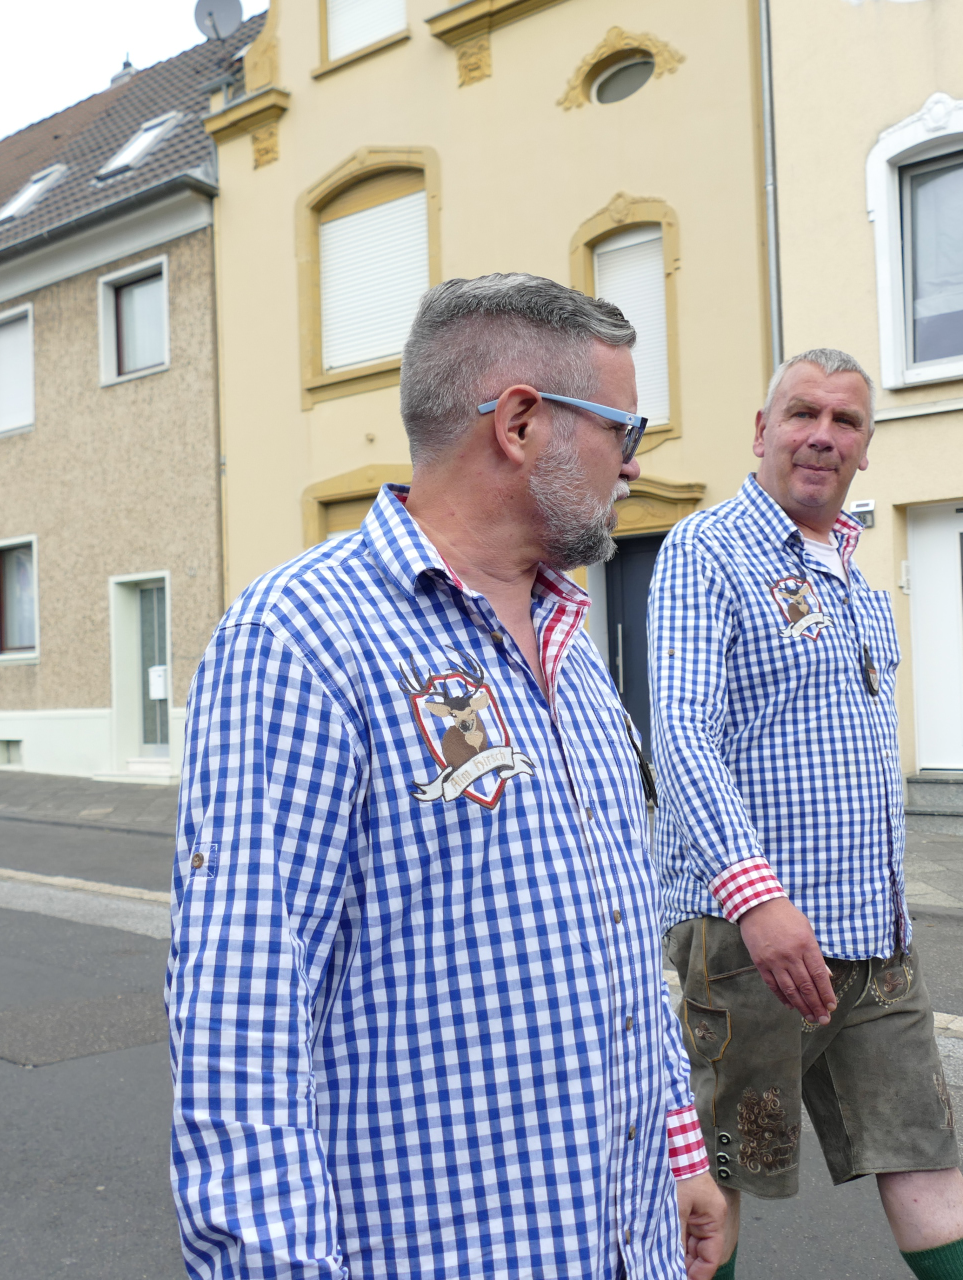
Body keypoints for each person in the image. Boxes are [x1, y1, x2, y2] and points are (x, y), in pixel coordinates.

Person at [168, 273, 728, 1279]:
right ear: (519, 423)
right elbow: (241, 1034)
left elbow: (622, 943)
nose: (635, 462)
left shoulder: (572, 645)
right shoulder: (302, 637)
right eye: (621, 428)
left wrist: (679, 1152)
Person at [649, 349, 963, 1280]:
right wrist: (758, 898)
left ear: (866, 449)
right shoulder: (706, 550)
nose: (822, 435)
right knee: (718, 1179)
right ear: (761, 431)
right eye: (802, 413)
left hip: (876, 944)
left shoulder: (854, 575)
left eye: (846, 421)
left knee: (923, 1152)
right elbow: (681, 733)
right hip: (747, 940)